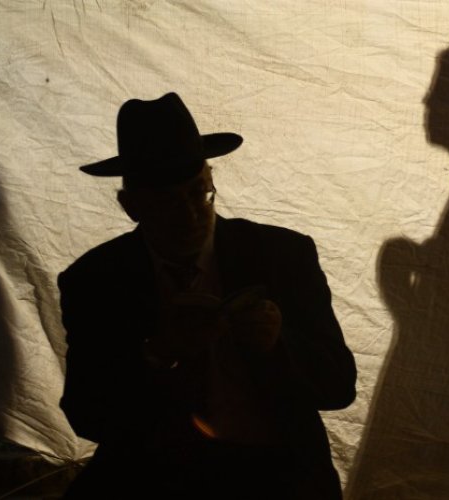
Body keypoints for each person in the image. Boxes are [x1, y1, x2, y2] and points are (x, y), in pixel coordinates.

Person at [58, 92, 357, 499]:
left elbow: (339, 387)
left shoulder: (281, 255)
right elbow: (87, 415)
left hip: (276, 472)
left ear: (211, 181)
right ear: (131, 206)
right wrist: (158, 353)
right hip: (155, 477)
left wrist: (276, 344)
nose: (190, 215)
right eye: (167, 204)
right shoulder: (97, 280)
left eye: (199, 194)